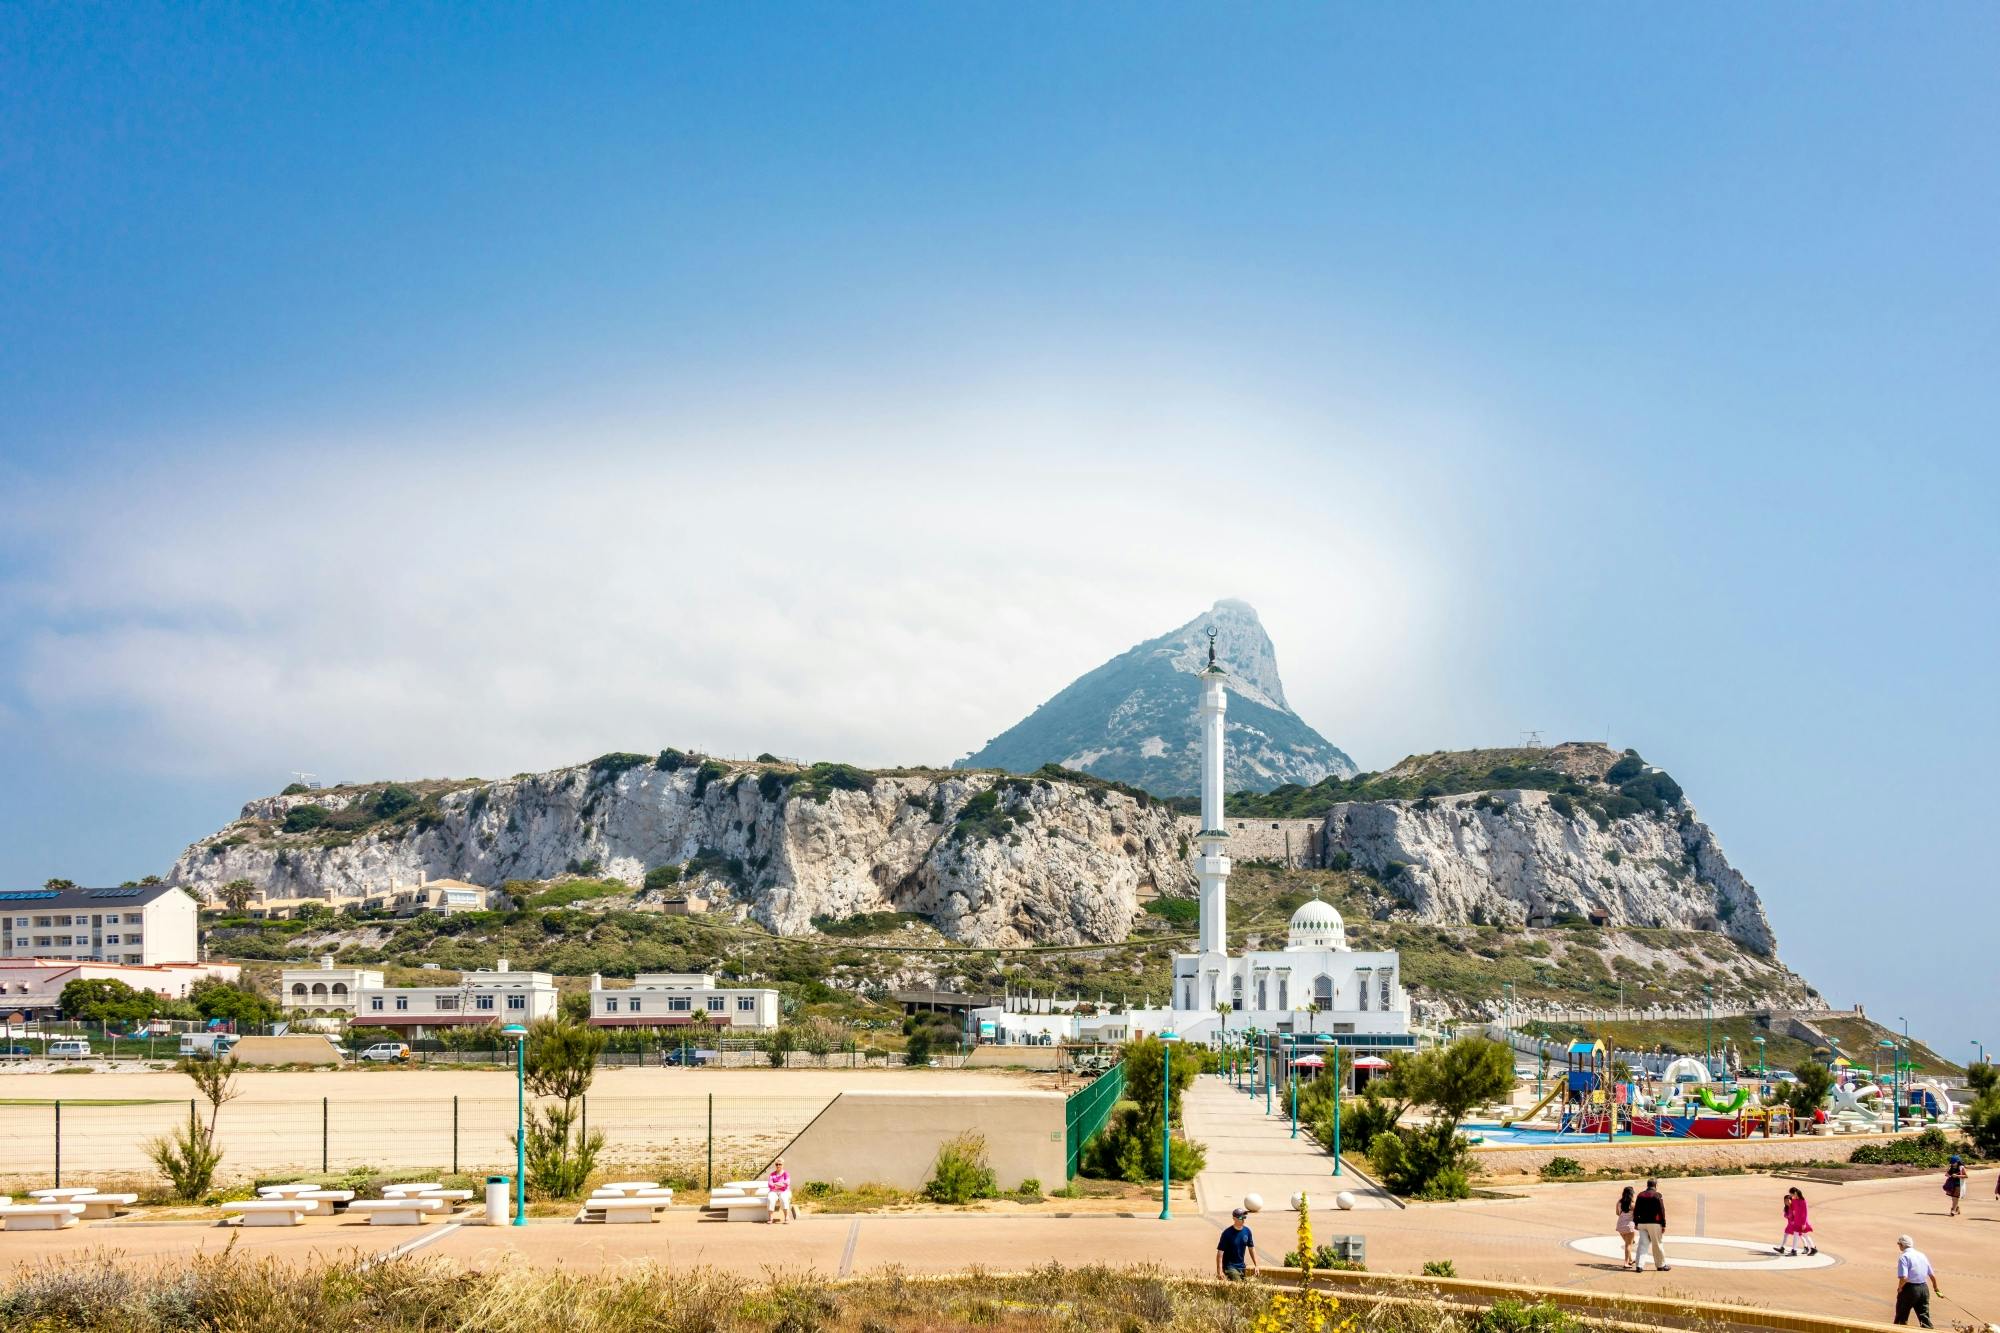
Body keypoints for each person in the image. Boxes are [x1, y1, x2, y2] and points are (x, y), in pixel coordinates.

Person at [1894, 1234, 1939, 1327]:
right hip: (1924, 1288)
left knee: (1901, 1317)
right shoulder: (1922, 1255)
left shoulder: (1904, 1257)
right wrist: (1936, 1288)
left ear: (1902, 1245)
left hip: (1910, 1289)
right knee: (1924, 1317)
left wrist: (1899, 1288)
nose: (1899, 1246)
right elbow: (1932, 1275)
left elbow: (1904, 1278)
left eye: (1899, 1244)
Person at [1631, 1178, 1670, 1272]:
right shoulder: (1657, 1195)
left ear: (1647, 1185)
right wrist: (1663, 1224)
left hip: (1642, 1223)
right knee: (1657, 1244)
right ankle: (1661, 1265)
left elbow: (1636, 1210)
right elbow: (1661, 1210)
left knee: (1642, 1244)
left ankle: (1639, 1266)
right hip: (1654, 1223)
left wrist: (1636, 1222)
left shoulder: (1640, 1195)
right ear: (1655, 1185)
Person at [1217, 1207, 1259, 1281]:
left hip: (1242, 1266)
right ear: (1234, 1218)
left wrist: (1256, 1265)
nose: (1243, 1219)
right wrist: (1219, 1271)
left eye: (1244, 1217)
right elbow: (1220, 1254)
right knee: (1239, 1284)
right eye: (1240, 1217)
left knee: (1253, 1284)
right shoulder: (1227, 1233)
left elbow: (1251, 1249)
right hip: (1230, 1267)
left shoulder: (1247, 1231)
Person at [766, 1156, 793, 1224]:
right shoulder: (772, 1174)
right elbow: (770, 1184)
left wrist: (775, 1184)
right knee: (770, 1198)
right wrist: (780, 1184)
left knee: (784, 1198)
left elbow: (786, 1184)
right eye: (776, 1164)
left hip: (784, 1191)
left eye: (780, 1164)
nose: (778, 1165)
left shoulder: (786, 1174)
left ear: (783, 1165)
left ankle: (786, 1217)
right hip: (774, 1191)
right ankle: (770, 1218)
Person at [1614, 1185, 1637, 1269]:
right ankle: (1626, 1263)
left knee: (1628, 1244)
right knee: (1628, 1245)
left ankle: (1630, 1260)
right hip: (1629, 1226)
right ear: (1632, 1194)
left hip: (1620, 1226)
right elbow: (1636, 1215)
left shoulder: (1619, 1202)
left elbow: (1617, 1213)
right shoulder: (1632, 1204)